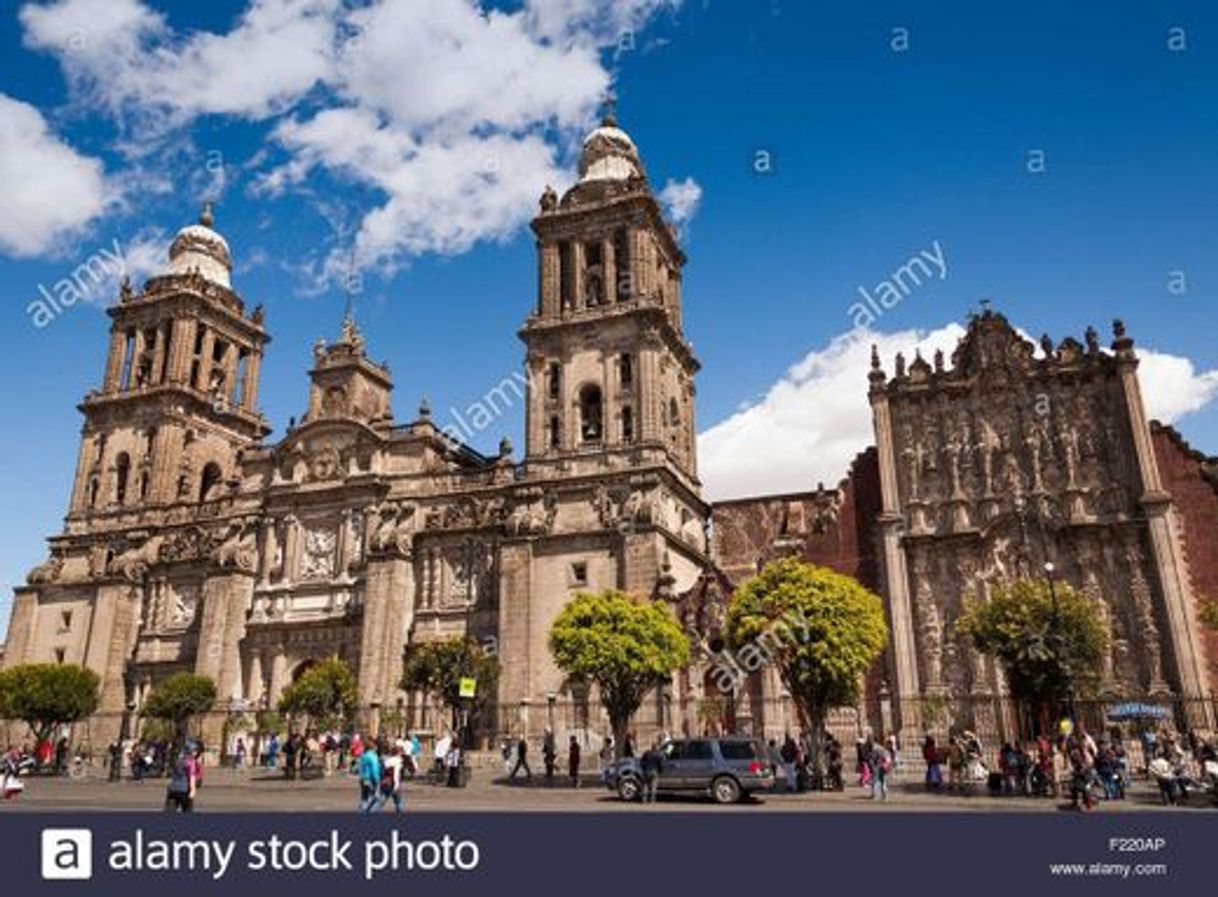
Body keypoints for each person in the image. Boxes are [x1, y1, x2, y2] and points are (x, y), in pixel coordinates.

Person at [164, 742, 200, 813]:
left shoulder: (178, 760)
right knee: (187, 812)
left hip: (173, 789)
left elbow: (171, 774)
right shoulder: (191, 762)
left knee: (170, 812)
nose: (196, 753)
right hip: (184, 790)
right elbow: (191, 776)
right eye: (195, 751)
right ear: (191, 751)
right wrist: (193, 790)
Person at [377, 741, 405, 813]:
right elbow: (396, 774)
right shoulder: (398, 761)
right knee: (399, 802)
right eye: (401, 752)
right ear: (398, 753)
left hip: (385, 782)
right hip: (392, 783)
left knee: (382, 799)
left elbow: (383, 771)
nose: (402, 754)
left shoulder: (388, 760)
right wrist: (396, 785)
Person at [357, 739, 382, 812]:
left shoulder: (363, 755)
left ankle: (361, 811)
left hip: (363, 778)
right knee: (374, 797)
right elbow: (374, 769)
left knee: (364, 797)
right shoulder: (373, 756)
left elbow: (359, 767)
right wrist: (377, 780)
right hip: (371, 779)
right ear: (373, 748)